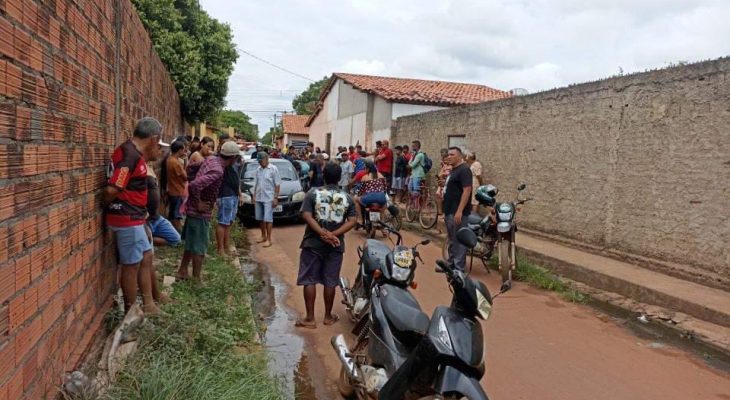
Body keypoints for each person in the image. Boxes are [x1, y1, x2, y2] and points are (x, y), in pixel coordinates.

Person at [103, 117, 162, 314]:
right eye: (158, 141)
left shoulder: (134, 154)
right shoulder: (129, 156)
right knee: (131, 266)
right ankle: (130, 311)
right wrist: (112, 207)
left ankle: (148, 304)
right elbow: (113, 189)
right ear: (154, 139)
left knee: (146, 257)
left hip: (135, 217)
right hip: (128, 219)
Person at [295, 163, 357, 329]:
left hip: (312, 243)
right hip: (335, 246)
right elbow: (352, 221)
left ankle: (310, 319)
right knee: (330, 281)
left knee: (309, 280)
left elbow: (307, 215)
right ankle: (328, 317)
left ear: (323, 174)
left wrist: (323, 233)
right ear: (339, 177)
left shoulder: (313, 193)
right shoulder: (347, 197)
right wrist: (333, 235)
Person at [177, 141, 239, 282]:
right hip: (200, 212)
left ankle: (182, 271)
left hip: (194, 209)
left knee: (191, 243)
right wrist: (198, 202)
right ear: (233, 158)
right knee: (200, 247)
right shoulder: (218, 170)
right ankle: (197, 279)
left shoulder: (211, 159)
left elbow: (191, 168)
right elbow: (195, 185)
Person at [443, 147, 473, 271]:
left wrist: (459, 211)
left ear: (460, 156)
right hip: (449, 210)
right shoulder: (453, 170)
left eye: (452, 154)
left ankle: (458, 269)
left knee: (459, 241)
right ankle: (450, 265)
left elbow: (467, 190)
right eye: (448, 154)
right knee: (451, 239)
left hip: (457, 212)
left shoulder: (465, 170)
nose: (449, 156)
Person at [216, 153, 243, 256]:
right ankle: (221, 249)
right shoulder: (221, 166)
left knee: (228, 223)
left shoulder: (234, 166)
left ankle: (226, 247)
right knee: (223, 222)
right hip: (225, 196)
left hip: (233, 195)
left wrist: (240, 194)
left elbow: (237, 181)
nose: (236, 159)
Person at [253, 152, 282, 248]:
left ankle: (269, 239)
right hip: (259, 196)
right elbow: (256, 183)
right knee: (260, 218)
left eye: (261, 160)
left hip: (269, 198)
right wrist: (254, 196)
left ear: (266, 158)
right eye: (259, 161)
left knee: (268, 218)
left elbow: (277, 184)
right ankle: (263, 236)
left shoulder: (273, 169)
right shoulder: (258, 170)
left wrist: (276, 198)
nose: (260, 163)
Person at [166, 141, 187, 231]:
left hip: (172, 189)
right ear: (180, 150)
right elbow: (185, 176)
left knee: (173, 213)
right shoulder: (175, 163)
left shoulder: (169, 160)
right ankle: (176, 232)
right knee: (177, 214)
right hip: (177, 190)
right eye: (183, 149)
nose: (184, 152)